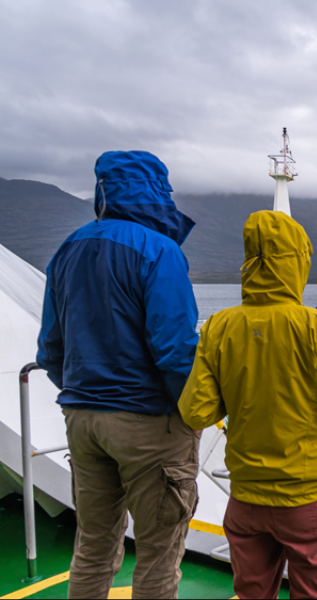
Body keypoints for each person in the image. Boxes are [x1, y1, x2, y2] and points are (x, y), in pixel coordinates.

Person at [179, 210, 317, 599]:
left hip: (246, 497)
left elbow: (196, 412)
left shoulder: (219, 326)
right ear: (298, 262)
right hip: (307, 499)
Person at [36, 151, 199, 599]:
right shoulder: (160, 250)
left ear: (102, 190)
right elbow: (177, 351)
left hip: (82, 420)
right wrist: (191, 414)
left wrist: (85, 394)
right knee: (158, 554)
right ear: (156, 191)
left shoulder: (67, 250)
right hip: (148, 422)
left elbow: (50, 348)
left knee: (92, 545)